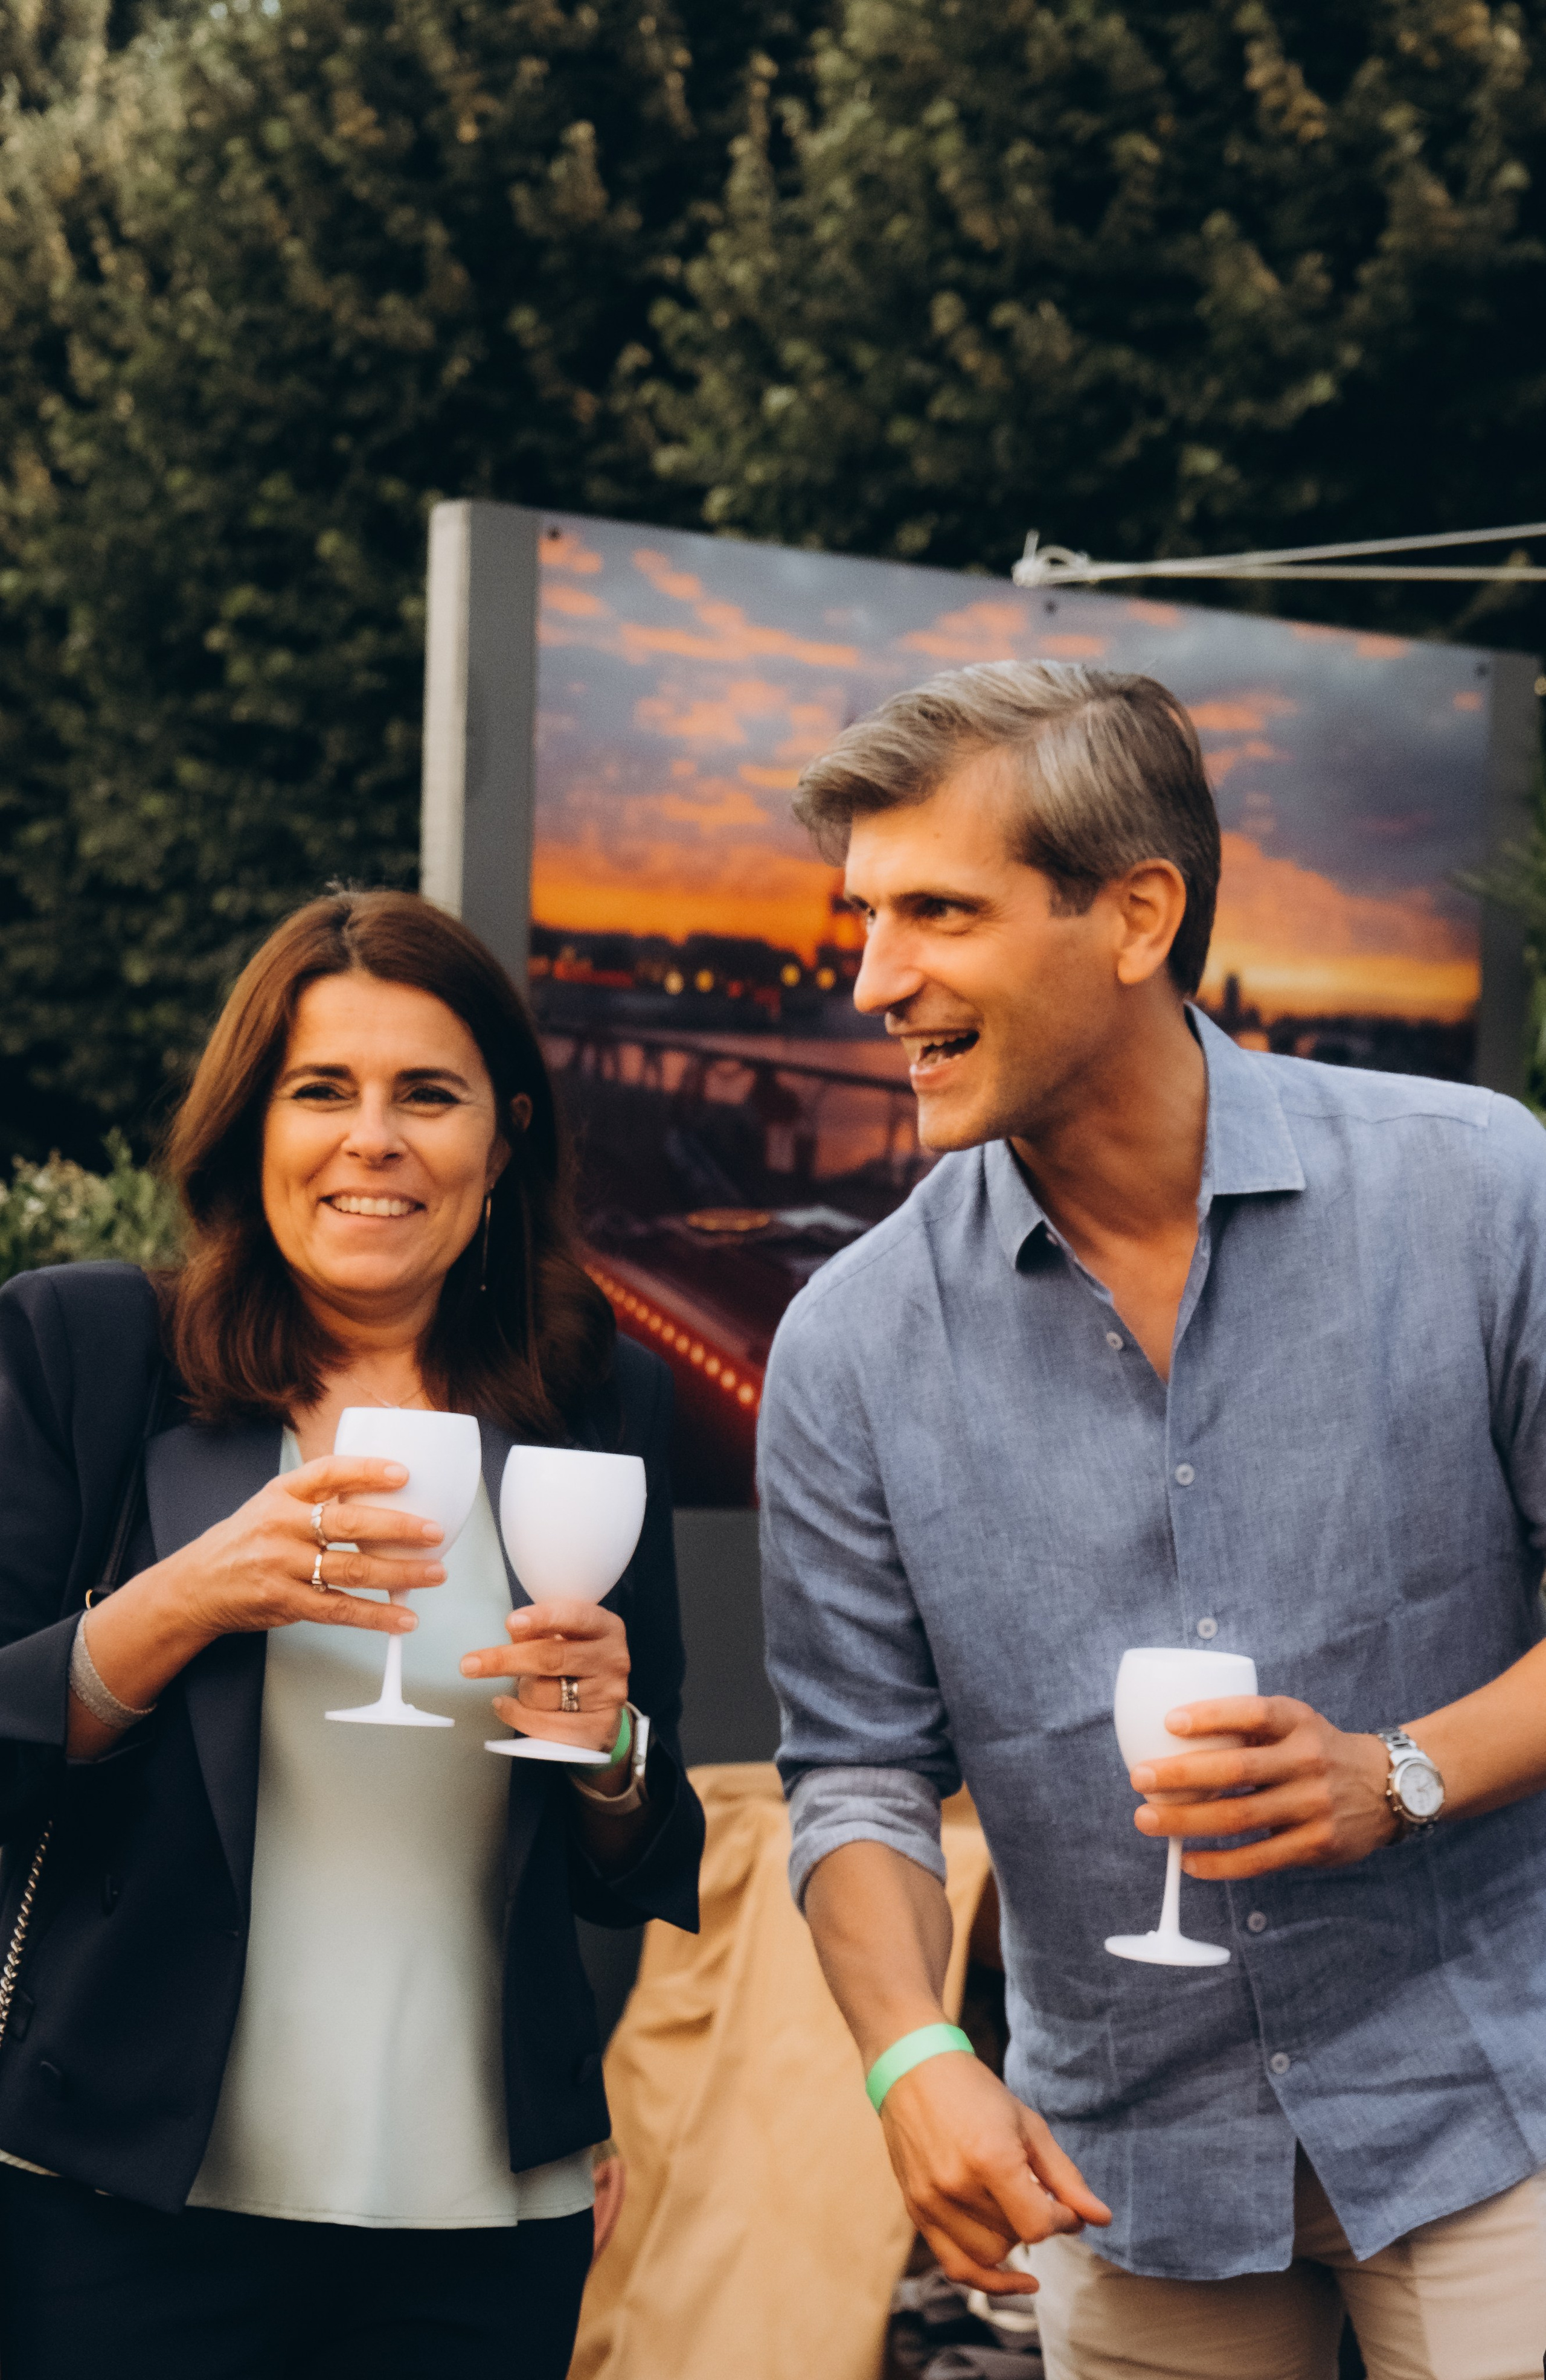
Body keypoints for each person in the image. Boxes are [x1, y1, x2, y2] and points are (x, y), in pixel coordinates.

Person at [757, 661, 1546, 2380]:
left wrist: (1396, 1770)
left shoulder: (1483, 1187)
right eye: (867, 914)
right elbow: (857, 1770)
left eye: (937, 912)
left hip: (1502, 2108)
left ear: (1136, 915)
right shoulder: (847, 1343)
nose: (876, 977)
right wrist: (911, 2055)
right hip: (1123, 2173)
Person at [0, 889, 703, 2380]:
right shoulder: (86, 1353)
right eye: (322, 1090)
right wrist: (192, 1591)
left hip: (481, 2222)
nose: (372, 1139)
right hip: (119, 2209)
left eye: (426, 1096)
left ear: (501, 1142)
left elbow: (642, 1851)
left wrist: (613, 1752)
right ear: (251, 1128)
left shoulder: (599, 1410)